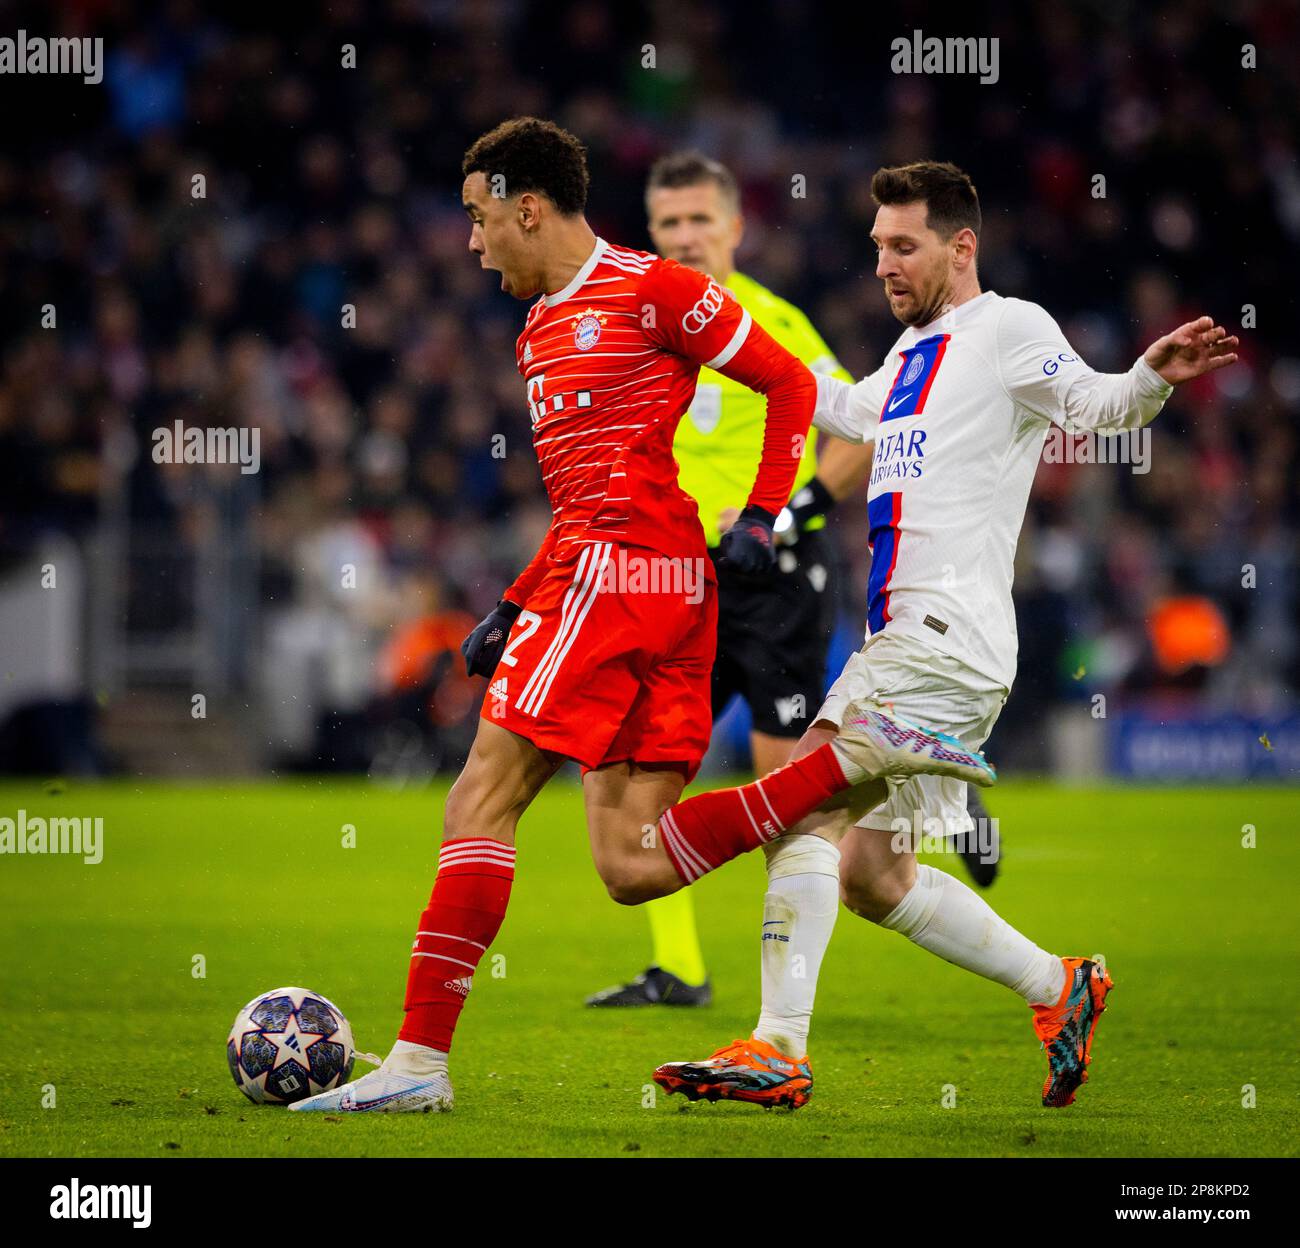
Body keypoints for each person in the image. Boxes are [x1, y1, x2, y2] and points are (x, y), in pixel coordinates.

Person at [290, 127, 996, 1115]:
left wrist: (763, 511)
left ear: (526, 205)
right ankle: (836, 773)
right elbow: (584, 494)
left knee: (478, 799)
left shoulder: (650, 289)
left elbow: (788, 382)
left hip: (624, 580)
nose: (471, 240)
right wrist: (512, 599)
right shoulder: (540, 324)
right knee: (629, 863)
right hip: (651, 583)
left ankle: (416, 1066)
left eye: (478, 216)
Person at [654, 160, 1238, 1111]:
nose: (882, 263)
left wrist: (1148, 379)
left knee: (796, 805)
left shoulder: (1007, 327)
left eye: (903, 245)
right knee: (873, 877)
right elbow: (840, 407)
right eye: (877, 245)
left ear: (961, 247)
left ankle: (777, 1045)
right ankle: (1060, 986)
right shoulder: (911, 354)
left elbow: (1094, 406)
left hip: (940, 638)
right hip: (926, 646)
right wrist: (728, 342)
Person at [585, 151, 873, 1009]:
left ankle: (918, 819)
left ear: (735, 227)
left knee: (785, 787)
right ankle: (679, 970)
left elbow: (855, 430)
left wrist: (787, 513)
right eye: (668, 223)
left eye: (699, 221)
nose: (685, 237)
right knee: (640, 768)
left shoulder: (775, 322)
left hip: (772, 577)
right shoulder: (645, 320)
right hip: (678, 583)